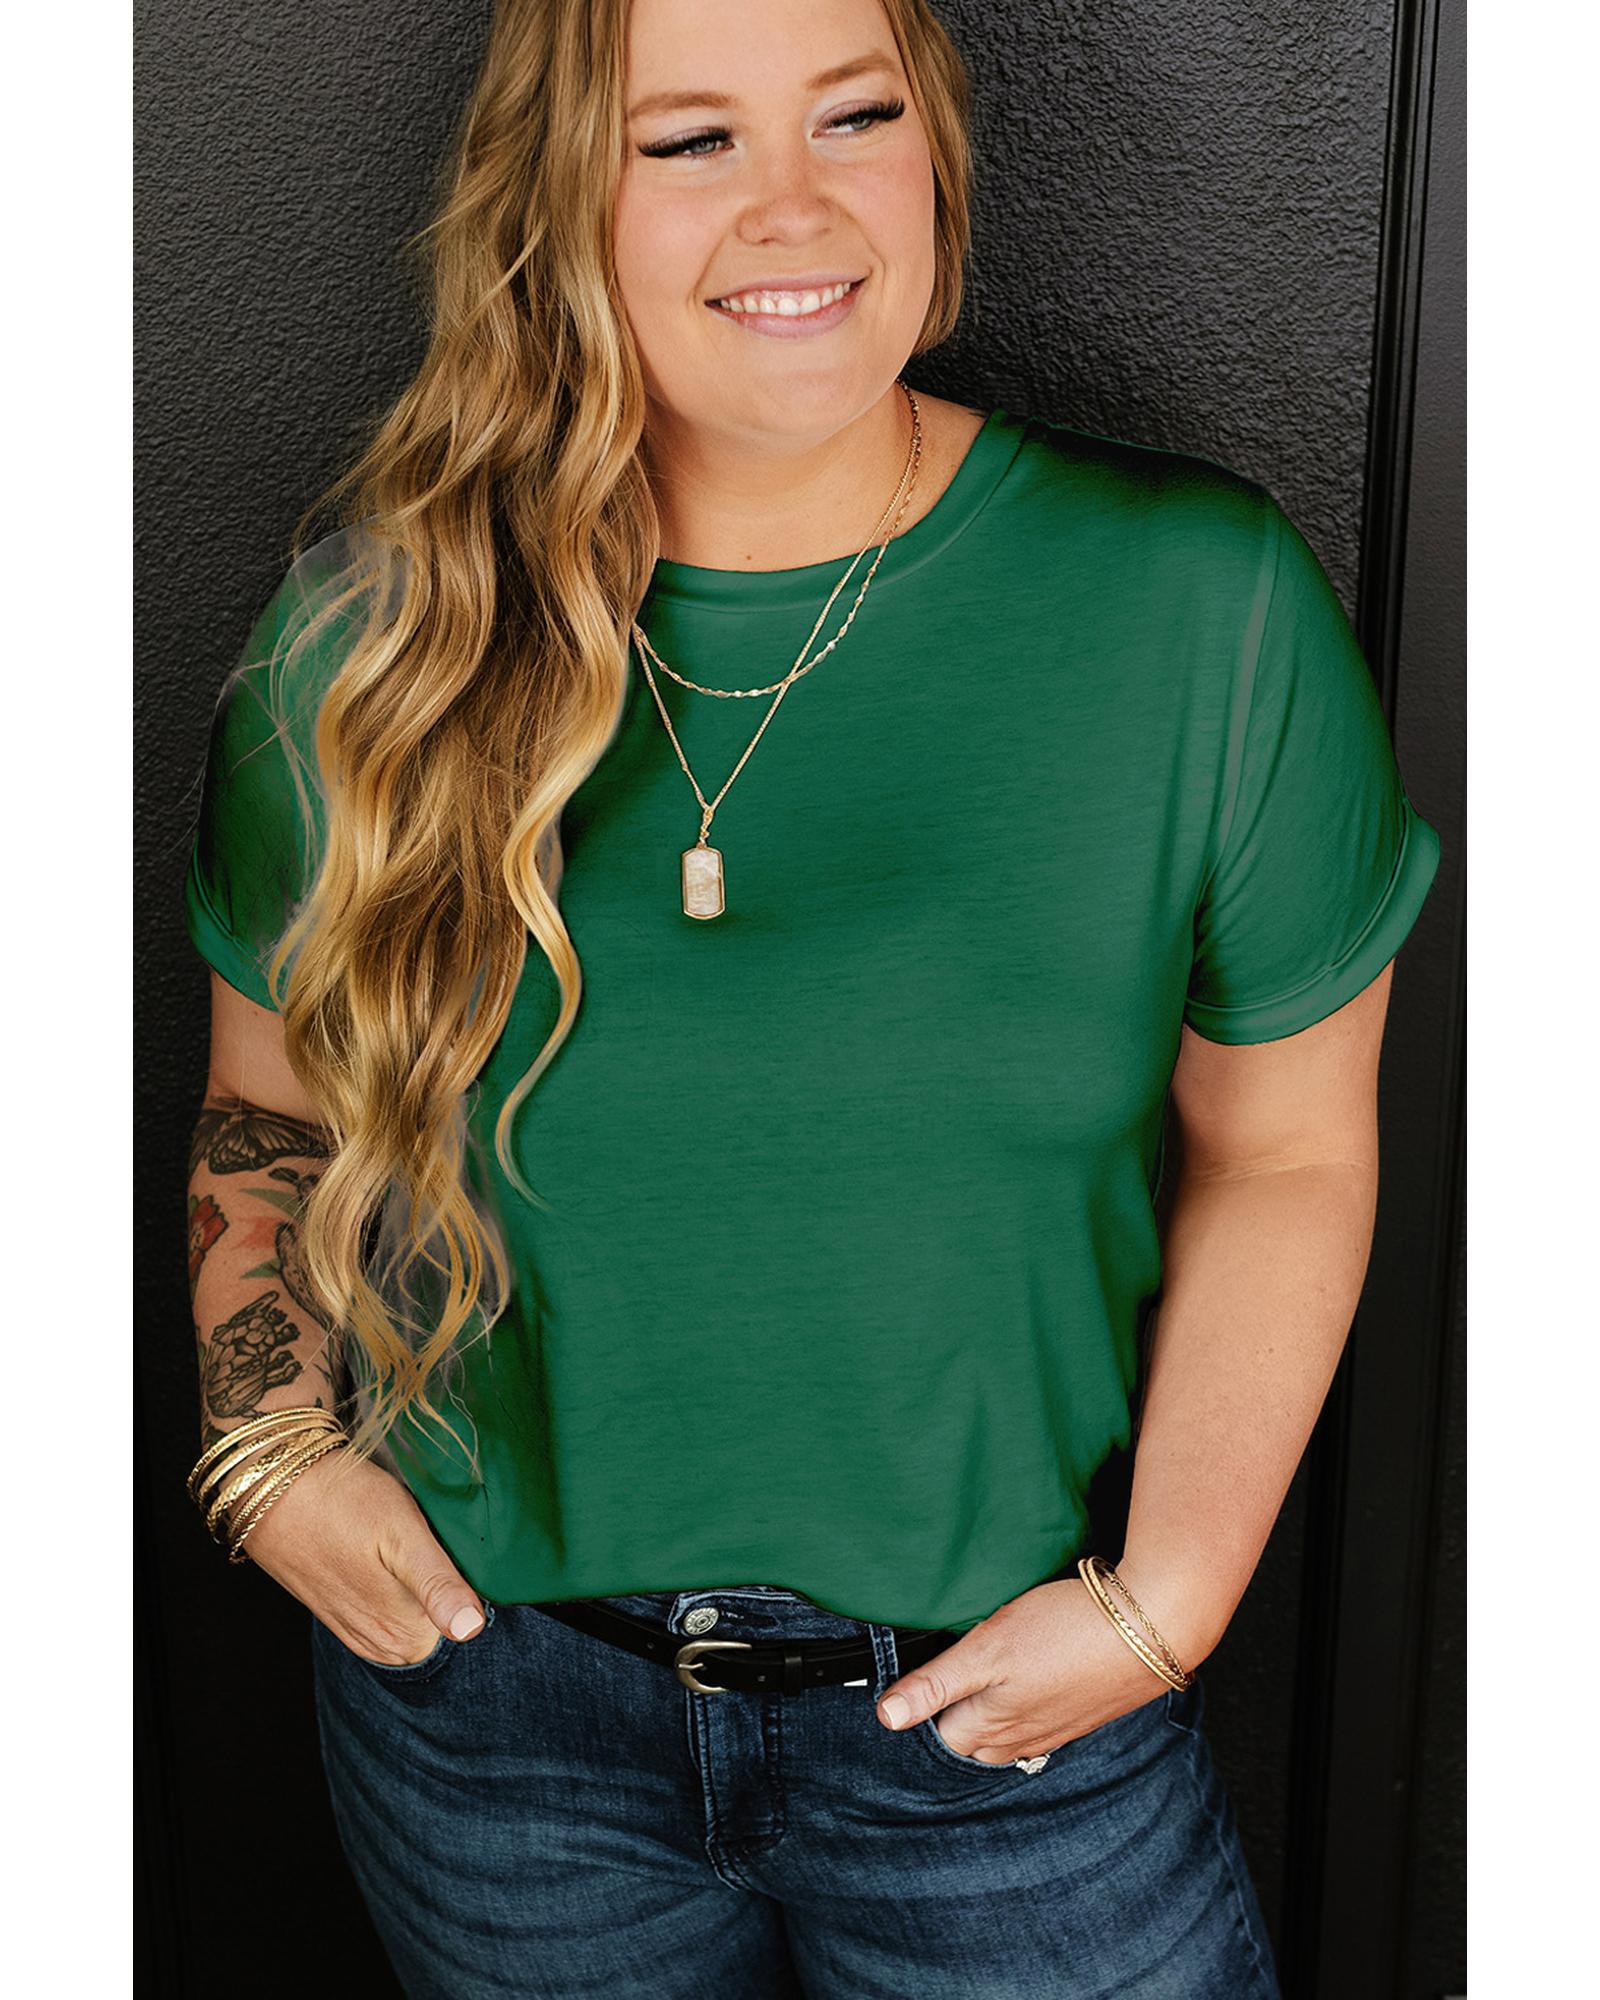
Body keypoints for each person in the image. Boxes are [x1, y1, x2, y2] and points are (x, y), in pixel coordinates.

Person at [179, 0, 1441, 1994]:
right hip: (496, 1731)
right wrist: (264, 1450)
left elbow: (1283, 1150)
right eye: (689, 140)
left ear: (936, 157)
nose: (796, 203)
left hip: (1004, 1729)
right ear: (553, 203)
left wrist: (1175, 1597)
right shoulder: (375, 645)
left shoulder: (1190, 607)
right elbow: (273, 1113)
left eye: (854, 117)